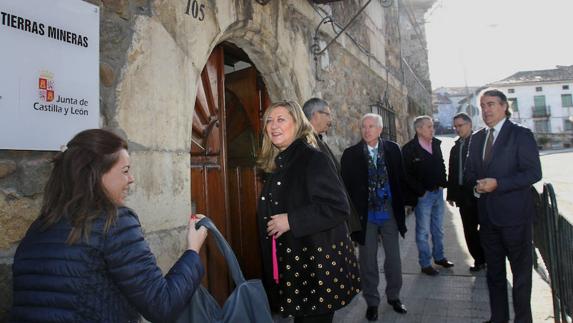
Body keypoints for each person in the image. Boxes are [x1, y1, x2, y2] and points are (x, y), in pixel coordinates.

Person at [11, 129, 208, 322]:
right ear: (96, 174)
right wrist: (192, 251)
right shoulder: (115, 222)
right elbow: (162, 305)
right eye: (125, 171)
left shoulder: (38, 227)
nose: (131, 179)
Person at [256, 101, 360, 323]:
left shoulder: (312, 158)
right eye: (269, 121)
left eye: (281, 119)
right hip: (299, 268)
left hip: (317, 270)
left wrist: (291, 220)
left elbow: (338, 206)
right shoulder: (280, 162)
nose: (273, 125)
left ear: (297, 123)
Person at [465, 89, 541, 323]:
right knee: (494, 276)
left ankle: (523, 320)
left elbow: (533, 173)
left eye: (491, 104)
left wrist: (499, 184)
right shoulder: (477, 138)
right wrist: (477, 187)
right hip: (488, 221)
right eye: (482, 106)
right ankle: (498, 318)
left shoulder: (521, 135)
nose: (486, 110)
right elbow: (469, 173)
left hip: (515, 219)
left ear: (504, 106)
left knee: (520, 277)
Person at [341, 113, 408, 321]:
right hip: (365, 214)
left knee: (394, 258)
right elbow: (346, 187)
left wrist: (404, 204)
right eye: (364, 127)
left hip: (388, 211)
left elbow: (400, 179)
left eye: (371, 126)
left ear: (380, 130)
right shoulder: (351, 154)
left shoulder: (393, 150)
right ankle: (372, 301)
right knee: (367, 260)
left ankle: (394, 296)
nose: (367, 130)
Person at [402, 115, 453, 276]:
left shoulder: (436, 144)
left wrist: (443, 181)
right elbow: (405, 174)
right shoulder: (409, 149)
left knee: (438, 229)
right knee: (423, 231)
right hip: (423, 197)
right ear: (419, 129)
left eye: (432, 126)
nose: (433, 129)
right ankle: (425, 263)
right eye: (429, 126)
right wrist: (420, 191)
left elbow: (441, 163)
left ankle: (439, 257)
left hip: (438, 193)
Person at [302, 97, 361, 233]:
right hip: (324, 219)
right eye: (327, 114)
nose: (331, 120)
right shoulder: (307, 144)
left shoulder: (317, 141)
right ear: (315, 115)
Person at [446, 112, 486, 272]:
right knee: (469, 230)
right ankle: (479, 260)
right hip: (463, 196)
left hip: (481, 194)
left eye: (460, 125)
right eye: (455, 126)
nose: (457, 129)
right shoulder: (456, 148)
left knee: (486, 229)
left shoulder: (480, 143)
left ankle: (489, 257)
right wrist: (451, 194)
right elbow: (452, 172)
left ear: (469, 124)